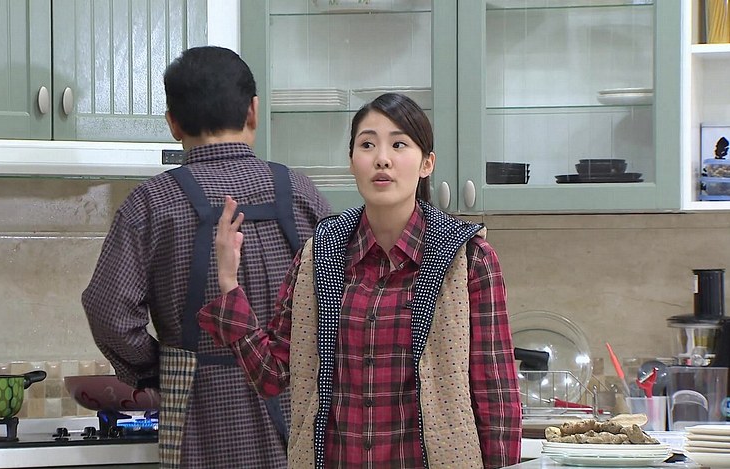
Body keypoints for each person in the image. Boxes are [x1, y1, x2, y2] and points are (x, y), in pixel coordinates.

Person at [198, 93, 522, 468]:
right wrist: (228, 283)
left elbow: (496, 397)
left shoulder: (468, 259)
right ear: (352, 161)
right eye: (367, 145)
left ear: (426, 164)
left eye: (399, 144)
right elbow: (271, 374)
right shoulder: (318, 256)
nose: (382, 158)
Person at [81, 46, 332, 468]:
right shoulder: (300, 193)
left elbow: (109, 313)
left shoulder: (151, 204)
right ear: (253, 112)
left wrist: (159, 369)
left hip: (201, 424)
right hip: (301, 420)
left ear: (173, 124)